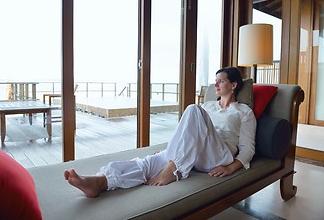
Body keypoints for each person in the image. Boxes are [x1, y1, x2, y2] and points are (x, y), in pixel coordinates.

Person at [64, 67, 257, 198]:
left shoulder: (243, 112)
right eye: (215, 81)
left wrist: (231, 168)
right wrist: (170, 148)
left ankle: (173, 167)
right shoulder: (208, 106)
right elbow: (188, 133)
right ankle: (99, 182)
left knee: (192, 109)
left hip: (219, 156)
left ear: (233, 85)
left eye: (221, 81)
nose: (215, 85)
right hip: (194, 154)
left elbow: (248, 147)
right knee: (147, 162)